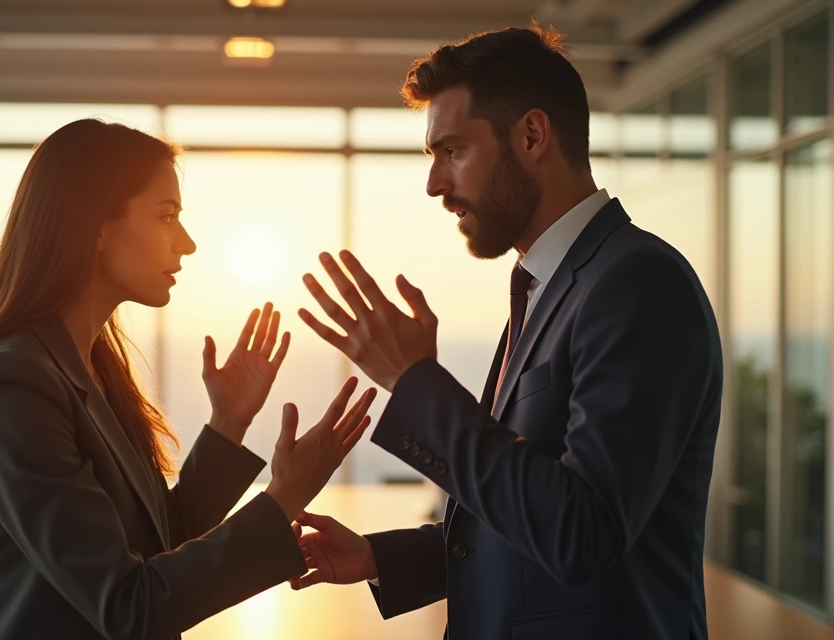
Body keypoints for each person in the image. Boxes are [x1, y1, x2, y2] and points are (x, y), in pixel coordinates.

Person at [289, 22, 723, 640]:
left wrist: (417, 384)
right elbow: (530, 510)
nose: (435, 184)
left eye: (452, 150)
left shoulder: (638, 283)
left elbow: (583, 533)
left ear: (532, 136)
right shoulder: (548, 285)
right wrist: (380, 558)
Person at [0, 119, 376, 640]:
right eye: (166, 216)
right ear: (96, 227)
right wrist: (283, 497)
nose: (187, 243)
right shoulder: (12, 385)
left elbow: (159, 541)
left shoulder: (91, 368)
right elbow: (128, 606)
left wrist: (227, 422)